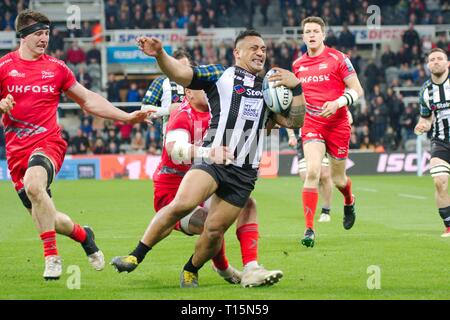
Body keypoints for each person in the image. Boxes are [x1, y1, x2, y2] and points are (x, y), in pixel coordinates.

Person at [122, 30, 305, 288]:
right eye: (253, 48)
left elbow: (295, 121)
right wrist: (160, 54)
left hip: (244, 172)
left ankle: (191, 268)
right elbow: (182, 75)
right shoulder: (222, 75)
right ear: (237, 53)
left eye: (263, 48)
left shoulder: (269, 89)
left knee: (214, 231)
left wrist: (297, 87)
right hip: (213, 160)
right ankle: (136, 254)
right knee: (183, 204)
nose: (260, 52)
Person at [0, 9, 152, 280]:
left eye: (47, 33)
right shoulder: (4, 67)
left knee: (35, 186)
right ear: (22, 36)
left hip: (48, 144)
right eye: (38, 34)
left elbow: (88, 100)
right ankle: (85, 235)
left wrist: (126, 116)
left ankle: (51, 257)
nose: (44, 39)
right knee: (51, 217)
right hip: (16, 153)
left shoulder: (56, 68)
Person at [112, 87, 265, 286]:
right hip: (172, 188)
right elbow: (175, 150)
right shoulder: (183, 115)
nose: (210, 90)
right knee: (206, 224)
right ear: (189, 93)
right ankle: (139, 256)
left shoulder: (217, 112)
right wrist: (209, 153)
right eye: (201, 87)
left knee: (247, 204)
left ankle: (241, 266)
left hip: (203, 182)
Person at [287, 16, 364, 247]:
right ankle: (309, 229)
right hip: (312, 123)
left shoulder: (339, 59)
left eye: (315, 31)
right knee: (312, 172)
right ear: (303, 36)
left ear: (323, 35)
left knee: (339, 179)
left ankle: (349, 200)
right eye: (307, 31)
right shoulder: (297, 65)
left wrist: (339, 104)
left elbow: (357, 90)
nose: (311, 35)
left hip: (338, 124)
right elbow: (297, 98)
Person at [414, 48, 450, 238]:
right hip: (441, 142)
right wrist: (422, 125)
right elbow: (426, 119)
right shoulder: (425, 91)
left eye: (439, 59)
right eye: (432, 59)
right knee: (439, 181)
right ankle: (449, 225)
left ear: (447, 63)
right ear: (428, 65)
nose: (436, 62)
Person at [286, 128, 333, 222]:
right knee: (306, 177)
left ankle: (326, 211)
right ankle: (311, 212)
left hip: (319, 138)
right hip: (303, 140)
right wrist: (291, 136)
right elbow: (288, 118)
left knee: (324, 175)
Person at [141, 49, 190, 135]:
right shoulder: (161, 81)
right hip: (171, 137)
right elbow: (144, 109)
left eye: (187, 66)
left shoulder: (196, 83)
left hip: (196, 136)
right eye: (180, 66)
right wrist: (168, 110)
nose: (184, 70)